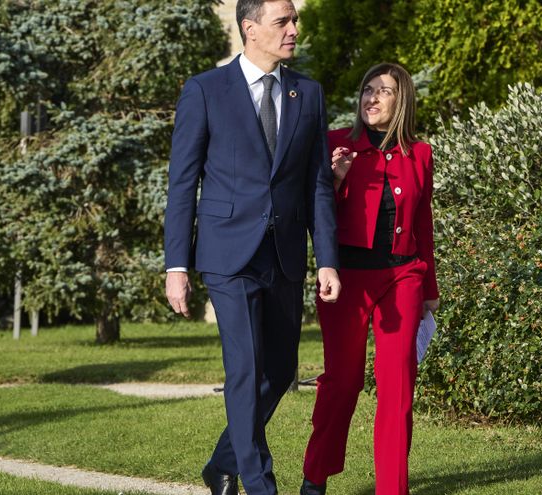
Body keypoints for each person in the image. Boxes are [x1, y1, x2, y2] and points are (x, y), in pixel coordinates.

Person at [163, 1, 341, 494]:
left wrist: (326, 258)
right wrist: (176, 264)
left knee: (281, 368)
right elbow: (183, 183)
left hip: (284, 252)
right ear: (250, 28)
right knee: (245, 368)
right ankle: (260, 485)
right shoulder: (206, 90)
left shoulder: (308, 92)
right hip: (226, 253)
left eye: (294, 20)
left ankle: (223, 462)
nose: (293, 29)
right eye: (283, 21)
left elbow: (317, 185)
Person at [301, 63, 440, 495]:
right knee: (343, 382)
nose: (372, 99)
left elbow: (423, 221)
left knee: (398, 386)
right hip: (346, 279)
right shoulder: (335, 145)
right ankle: (315, 476)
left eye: (384, 92)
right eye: (368, 90)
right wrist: (335, 180)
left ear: (402, 101)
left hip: (403, 276)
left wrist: (430, 289)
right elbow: (316, 213)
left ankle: (392, 490)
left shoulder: (420, 153)